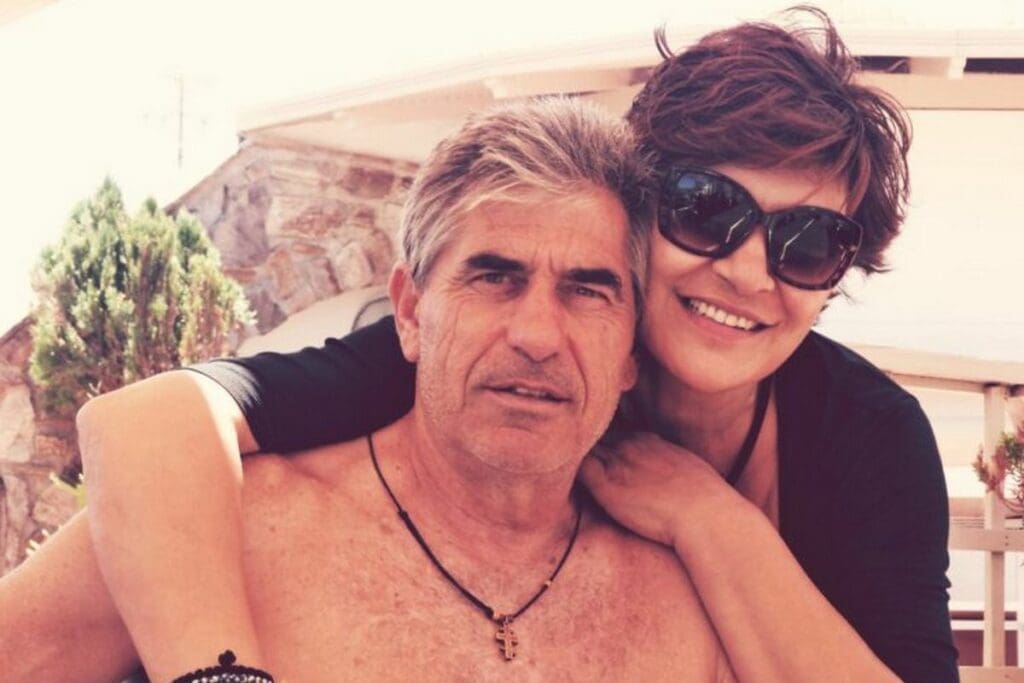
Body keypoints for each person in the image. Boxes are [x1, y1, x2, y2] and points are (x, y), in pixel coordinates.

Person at [76, 7, 957, 683]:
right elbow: (153, 423)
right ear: (638, 214)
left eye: (809, 241)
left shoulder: (869, 435)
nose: (749, 271)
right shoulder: (490, 357)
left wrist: (708, 519)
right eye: (707, 208)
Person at [1, 97, 736, 682]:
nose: (538, 334)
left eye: (588, 290)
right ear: (411, 312)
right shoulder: (215, 530)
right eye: (493, 277)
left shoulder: (684, 605)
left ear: (631, 351)